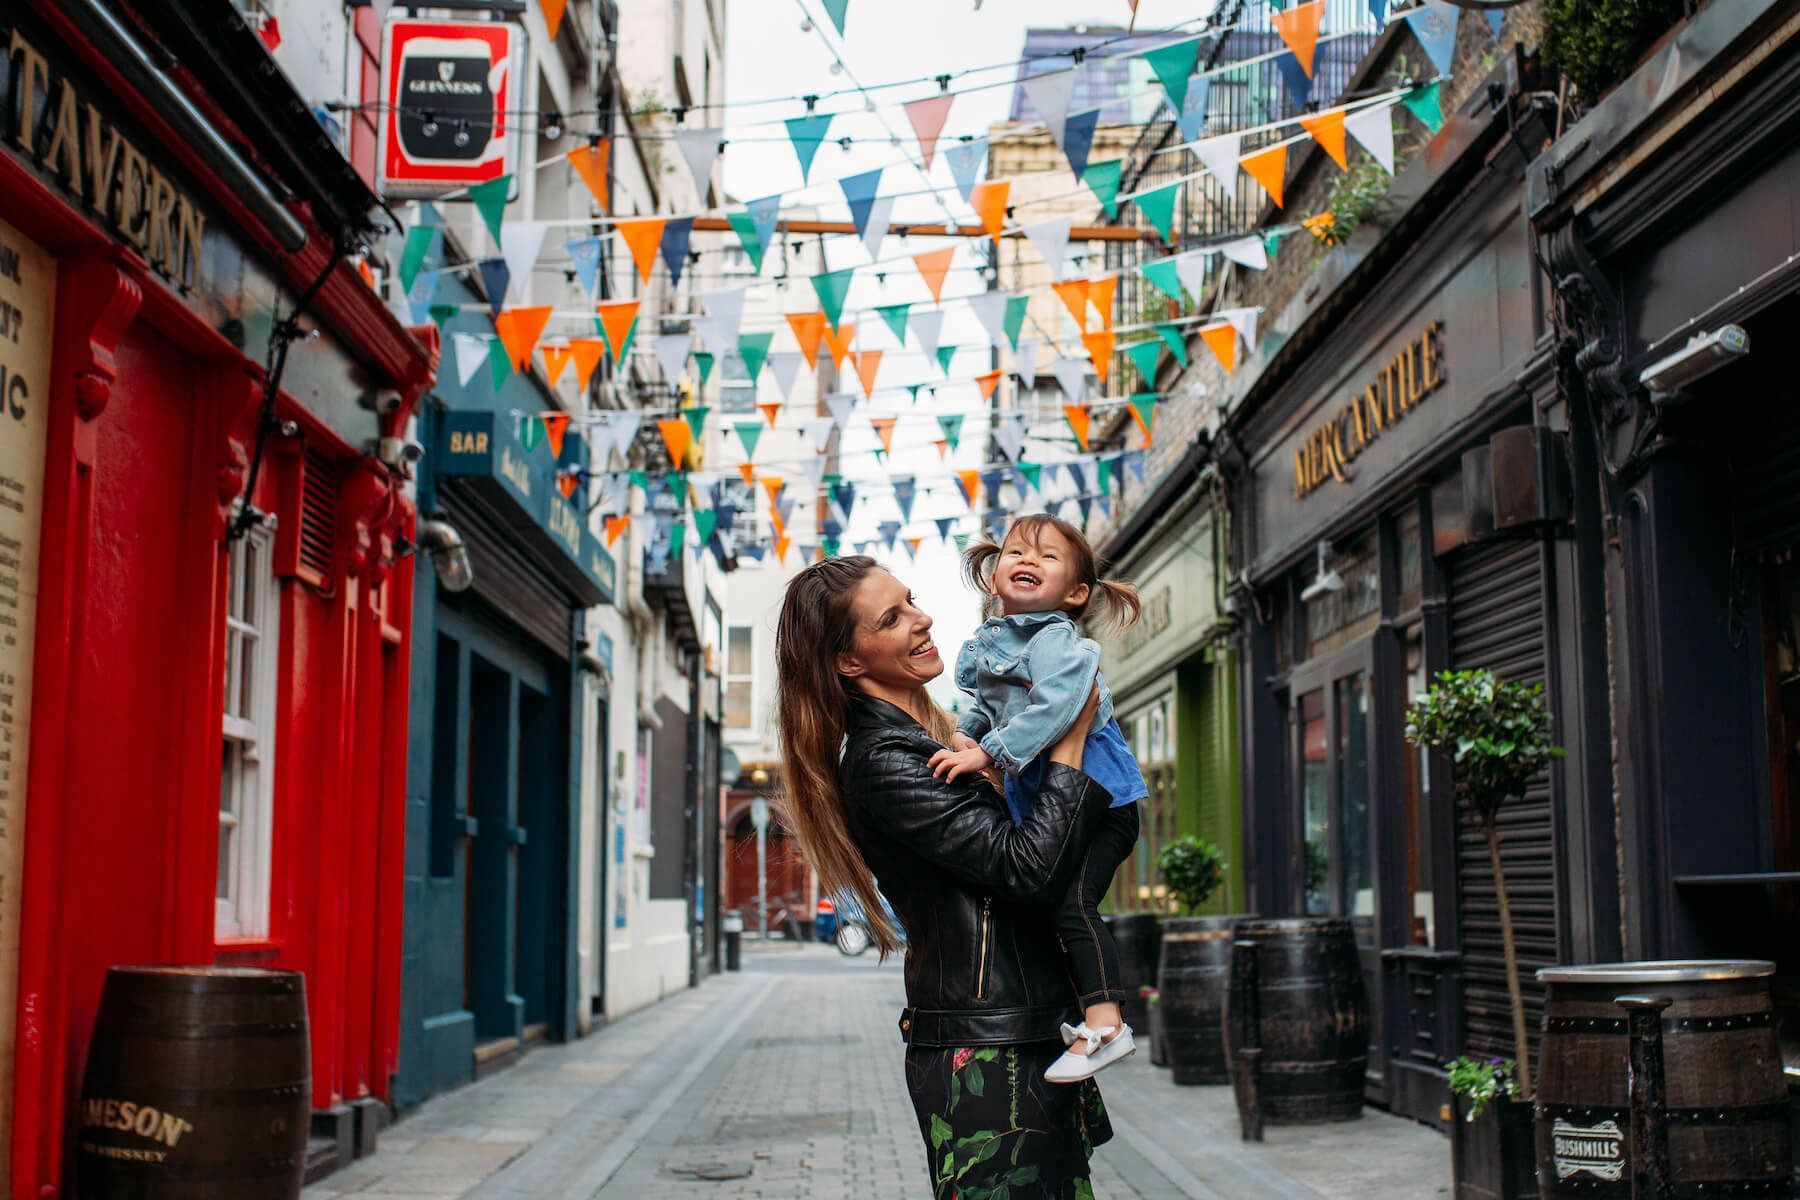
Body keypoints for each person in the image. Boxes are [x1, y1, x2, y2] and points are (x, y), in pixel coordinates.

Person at [775, 556, 1116, 1200]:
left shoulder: (946, 738)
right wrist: (1069, 737)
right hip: (984, 1054)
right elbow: (1029, 868)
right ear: (849, 661)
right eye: (892, 616)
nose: (923, 619)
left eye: (912, 600)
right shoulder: (885, 763)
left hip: (1026, 1032)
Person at [928, 514, 1147, 1083]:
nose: (1028, 560)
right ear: (993, 570)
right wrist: (964, 734)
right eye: (1017, 551)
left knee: (1072, 904)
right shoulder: (991, 643)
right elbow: (987, 705)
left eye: (1048, 557)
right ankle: (1084, 1016)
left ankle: (1107, 1026)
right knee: (1054, 903)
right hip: (1061, 796)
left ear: (1075, 593)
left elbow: (1058, 706)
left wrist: (988, 752)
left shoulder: (1056, 642)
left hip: (1103, 799)